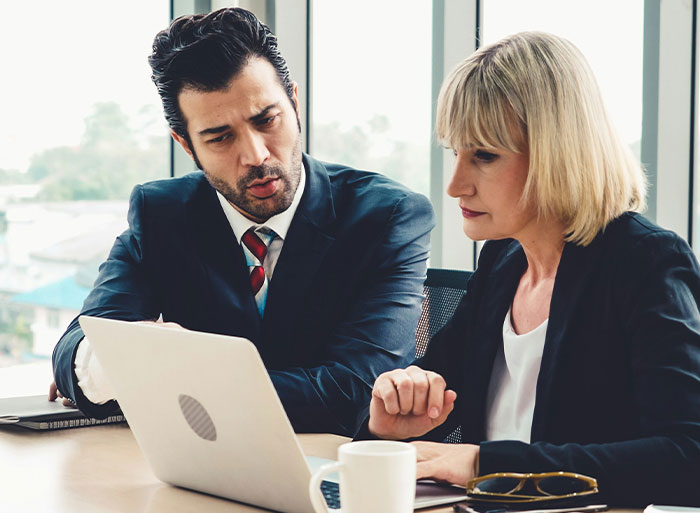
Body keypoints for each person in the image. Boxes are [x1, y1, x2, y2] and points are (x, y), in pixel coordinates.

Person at [50, 7, 435, 437]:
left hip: (333, 474)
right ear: (186, 144)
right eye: (220, 137)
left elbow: (354, 390)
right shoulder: (162, 213)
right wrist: (110, 365)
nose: (256, 156)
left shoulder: (387, 217)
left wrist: (164, 372)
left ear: (294, 101)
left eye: (266, 120)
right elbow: (75, 350)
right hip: (201, 471)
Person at [362, 32, 700, 506]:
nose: (456, 185)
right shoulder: (503, 260)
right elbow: (426, 393)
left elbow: (687, 457)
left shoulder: (646, 264)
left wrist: (487, 464)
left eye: (484, 155)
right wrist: (389, 422)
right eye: (454, 152)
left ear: (557, 152)